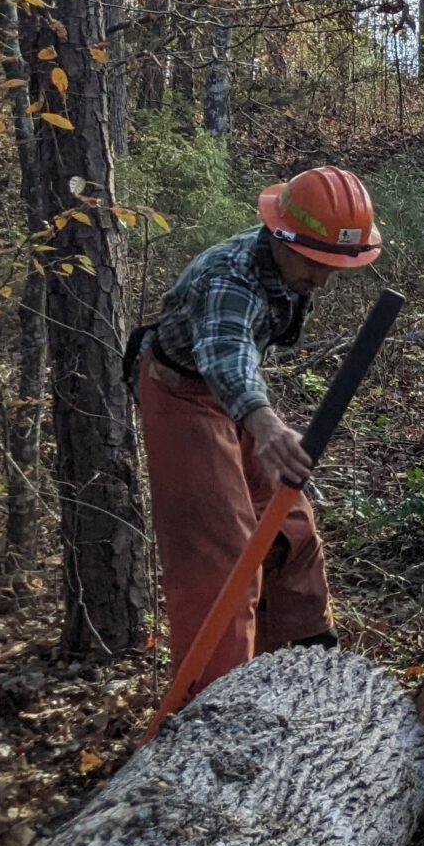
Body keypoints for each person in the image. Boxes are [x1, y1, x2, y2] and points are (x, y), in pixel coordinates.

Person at [126, 165, 383, 693]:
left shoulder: (287, 264)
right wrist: (262, 421)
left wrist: (256, 416)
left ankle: (303, 661)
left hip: (239, 402)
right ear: (281, 235)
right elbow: (224, 350)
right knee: (224, 560)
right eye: (315, 262)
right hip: (182, 395)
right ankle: (218, 701)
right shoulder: (228, 278)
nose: (322, 279)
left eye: (334, 264)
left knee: (289, 526)